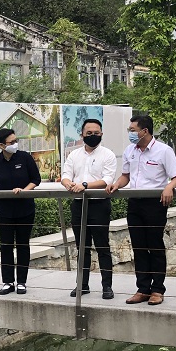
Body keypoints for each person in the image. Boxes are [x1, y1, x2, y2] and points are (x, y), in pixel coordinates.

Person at [106, 115, 176, 305]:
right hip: (135, 203)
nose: (130, 133)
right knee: (138, 246)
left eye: (132, 130)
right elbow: (126, 176)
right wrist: (116, 184)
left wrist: (169, 187)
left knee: (155, 246)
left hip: (155, 204)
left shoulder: (164, 151)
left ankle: (157, 290)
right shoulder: (130, 151)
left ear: (145, 131)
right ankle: (142, 289)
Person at [61, 118, 117, 299]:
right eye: (89, 133)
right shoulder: (74, 155)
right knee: (81, 247)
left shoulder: (108, 154)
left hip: (99, 205)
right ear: (82, 134)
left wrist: (85, 185)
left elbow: (107, 180)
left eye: (96, 133)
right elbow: (66, 175)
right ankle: (82, 285)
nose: (93, 136)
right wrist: (68, 183)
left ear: (101, 134)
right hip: (78, 205)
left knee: (102, 247)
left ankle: (107, 287)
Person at [0, 128, 41, 295]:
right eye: (12, 142)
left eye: (16, 141)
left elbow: (36, 179)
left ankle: (22, 282)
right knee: (6, 245)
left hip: (25, 208)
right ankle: (8, 282)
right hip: (3, 209)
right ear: (1, 145)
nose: (15, 144)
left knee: (23, 244)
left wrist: (24, 190)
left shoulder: (25, 157)